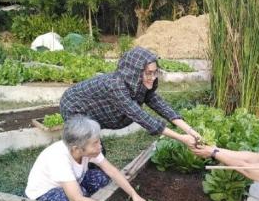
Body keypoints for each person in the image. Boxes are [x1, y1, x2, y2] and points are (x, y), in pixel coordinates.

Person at [60, 46, 200, 148]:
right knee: (90, 148)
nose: (152, 77)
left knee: (95, 150)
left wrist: (190, 130)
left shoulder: (137, 83)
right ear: (134, 71)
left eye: (155, 72)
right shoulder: (116, 86)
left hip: (92, 108)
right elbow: (141, 117)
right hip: (74, 106)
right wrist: (182, 138)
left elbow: (160, 105)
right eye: (148, 73)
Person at [25, 115, 149, 201]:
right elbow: (77, 200)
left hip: (71, 181)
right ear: (76, 149)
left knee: (101, 178)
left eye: (98, 141)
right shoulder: (58, 158)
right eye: (95, 143)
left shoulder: (89, 150)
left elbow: (112, 171)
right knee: (81, 195)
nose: (99, 146)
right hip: (44, 194)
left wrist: (134, 195)